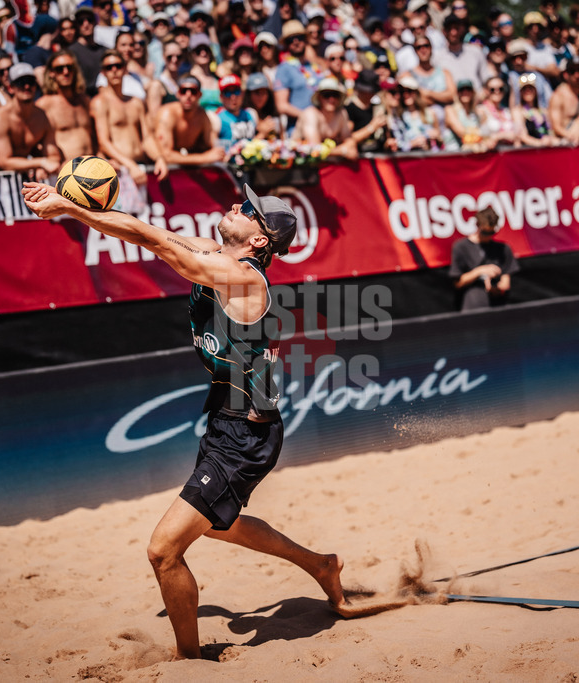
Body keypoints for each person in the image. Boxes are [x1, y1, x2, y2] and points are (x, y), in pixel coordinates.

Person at [19, 179, 346, 662]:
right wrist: (72, 205)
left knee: (162, 549)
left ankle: (188, 661)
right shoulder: (214, 252)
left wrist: (71, 209)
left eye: (247, 210)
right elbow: (143, 230)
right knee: (219, 526)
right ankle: (321, 565)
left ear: (259, 240)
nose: (235, 205)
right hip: (225, 419)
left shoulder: (244, 278)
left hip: (249, 431)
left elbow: (152, 241)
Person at [89, 51, 167, 187]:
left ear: (125, 69)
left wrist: (159, 158)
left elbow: (147, 138)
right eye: (109, 67)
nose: (114, 70)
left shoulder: (136, 102)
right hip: (118, 170)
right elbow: (103, 142)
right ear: (103, 72)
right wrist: (130, 166)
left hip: (140, 167)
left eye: (118, 66)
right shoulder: (100, 102)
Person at [0, 62, 61, 182]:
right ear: (11, 88)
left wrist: (41, 167)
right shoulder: (0, 118)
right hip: (2, 181)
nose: (27, 86)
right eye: (21, 83)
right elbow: (3, 162)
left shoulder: (42, 117)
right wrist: (40, 163)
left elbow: (53, 157)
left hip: (27, 178)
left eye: (30, 82)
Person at [449, 205, 519, 311]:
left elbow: (506, 282)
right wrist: (479, 272)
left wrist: (496, 288)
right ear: (478, 226)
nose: (488, 236)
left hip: (499, 307)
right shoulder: (461, 247)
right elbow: (458, 282)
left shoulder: (503, 248)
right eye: (485, 232)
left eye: (492, 232)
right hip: (473, 308)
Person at [36, 51, 96, 163]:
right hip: (65, 170)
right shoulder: (44, 104)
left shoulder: (84, 100)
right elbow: (33, 143)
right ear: (51, 73)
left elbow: (94, 137)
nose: (66, 72)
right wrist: (49, 161)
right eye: (60, 69)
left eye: (70, 67)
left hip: (90, 169)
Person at [154, 74, 224, 165]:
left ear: (199, 95)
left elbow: (214, 145)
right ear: (178, 94)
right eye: (184, 91)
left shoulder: (202, 115)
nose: (188, 95)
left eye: (193, 91)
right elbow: (166, 155)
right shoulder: (167, 114)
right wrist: (204, 158)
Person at [273, 19, 326, 131]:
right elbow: (281, 106)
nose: (296, 42)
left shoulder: (313, 66)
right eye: (291, 39)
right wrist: (309, 117)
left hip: (322, 125)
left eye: (300, 38)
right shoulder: (284, 69)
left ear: (306, 40)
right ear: (286, 44)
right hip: (299, 128)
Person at [294, 77, 357, 158]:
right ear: (319, 97)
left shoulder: (341, 113)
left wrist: (347, 148)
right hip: (302, 165)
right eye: (326, 95)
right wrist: (343, 151)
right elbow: (314, 149)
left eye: (335, 95)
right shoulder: (310, 114)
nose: (331, 99)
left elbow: (349, 141)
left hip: (328, 164)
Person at [345, 69, 389, 153]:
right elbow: (347, 139)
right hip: (359, 159)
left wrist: (388, 143)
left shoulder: (377, 108)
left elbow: (383, 138)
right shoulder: (349, 109)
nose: (370, 94)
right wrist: (372, 127)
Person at [443, 78, 492, 151]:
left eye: (468, 89)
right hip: (453, 154)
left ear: (473, 92)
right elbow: (462, 133)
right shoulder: (450, 110)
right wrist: (482, 137)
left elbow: (487, 132)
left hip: (471, 154)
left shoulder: (477, 112)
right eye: (462, 90)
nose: (465, 92)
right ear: (457, 93)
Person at [211, 74, 257, 149]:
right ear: (221, 97)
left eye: (236, 91)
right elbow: (213, 148)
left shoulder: (251, 113)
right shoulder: (216, 119)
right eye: (227, 93)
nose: (233, 97)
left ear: (242, 93)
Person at [244, 71, 283, 139]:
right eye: (257, 92)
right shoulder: (244, 115)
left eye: (264, 92)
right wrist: (262, 133)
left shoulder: (273, 114)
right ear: (249, 94)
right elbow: (243, 147)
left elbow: (282, 139)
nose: (261, 97)